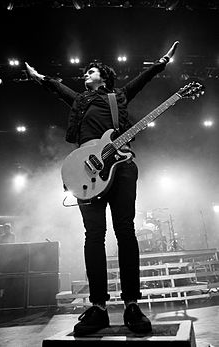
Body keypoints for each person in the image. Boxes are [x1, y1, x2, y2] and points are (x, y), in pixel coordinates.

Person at [25, 40, 179, 336]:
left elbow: (142, 81)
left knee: (125, 230)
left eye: (91, 71)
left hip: (121, 169)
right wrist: (39, 77)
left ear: (104, 77)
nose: (86, 75)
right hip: (87, 174)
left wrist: (161, 62)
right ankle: (98, 307)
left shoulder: (118, 96)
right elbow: (58, 88)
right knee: (93, 236)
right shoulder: (80, 101)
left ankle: (132, 304)